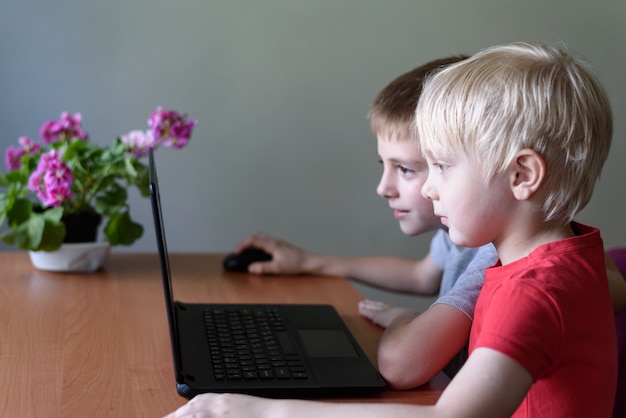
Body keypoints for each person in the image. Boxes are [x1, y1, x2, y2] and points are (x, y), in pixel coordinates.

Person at [166, 42, 617, 417]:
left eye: (440, 166)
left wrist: (258, 410)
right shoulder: (565, 253)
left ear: (522, 175)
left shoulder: (533, 292)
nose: (431, 188)